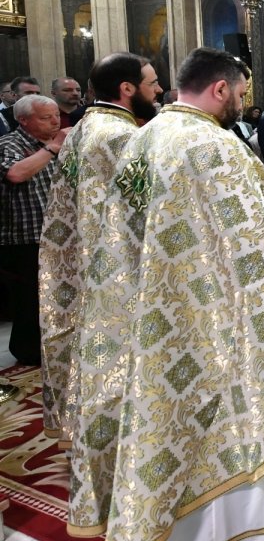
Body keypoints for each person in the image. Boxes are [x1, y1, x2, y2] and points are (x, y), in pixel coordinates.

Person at [68, 47, 264, 541]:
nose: (241, 103)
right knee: (228, 418)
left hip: (155, 313)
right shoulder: (214, 145)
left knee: (169, 415)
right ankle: (237, 534)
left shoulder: (143, 138)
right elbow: (260, 244)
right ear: (221, 89)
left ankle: (173, 530)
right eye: (241, 94)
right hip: (215, 318)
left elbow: (122, 236)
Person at [39, 53, 160, 446]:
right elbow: (149, 211)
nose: (158, 90)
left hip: (80, 260)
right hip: (117, 268)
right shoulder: (124, 137)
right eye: (152, 83)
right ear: (127, 88)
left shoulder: (82, 128)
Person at [0, 94, 67, 364]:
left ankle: (53, 348)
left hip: (57, 234)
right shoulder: (9, 143)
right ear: (23, 120)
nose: (55, 122)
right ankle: (27, 353)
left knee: (54, 296)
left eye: (56, 116)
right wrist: (51, 149)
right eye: (46, 117)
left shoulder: (57, 145)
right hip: (24, 237)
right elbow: (16, 173)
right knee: (29, 300)